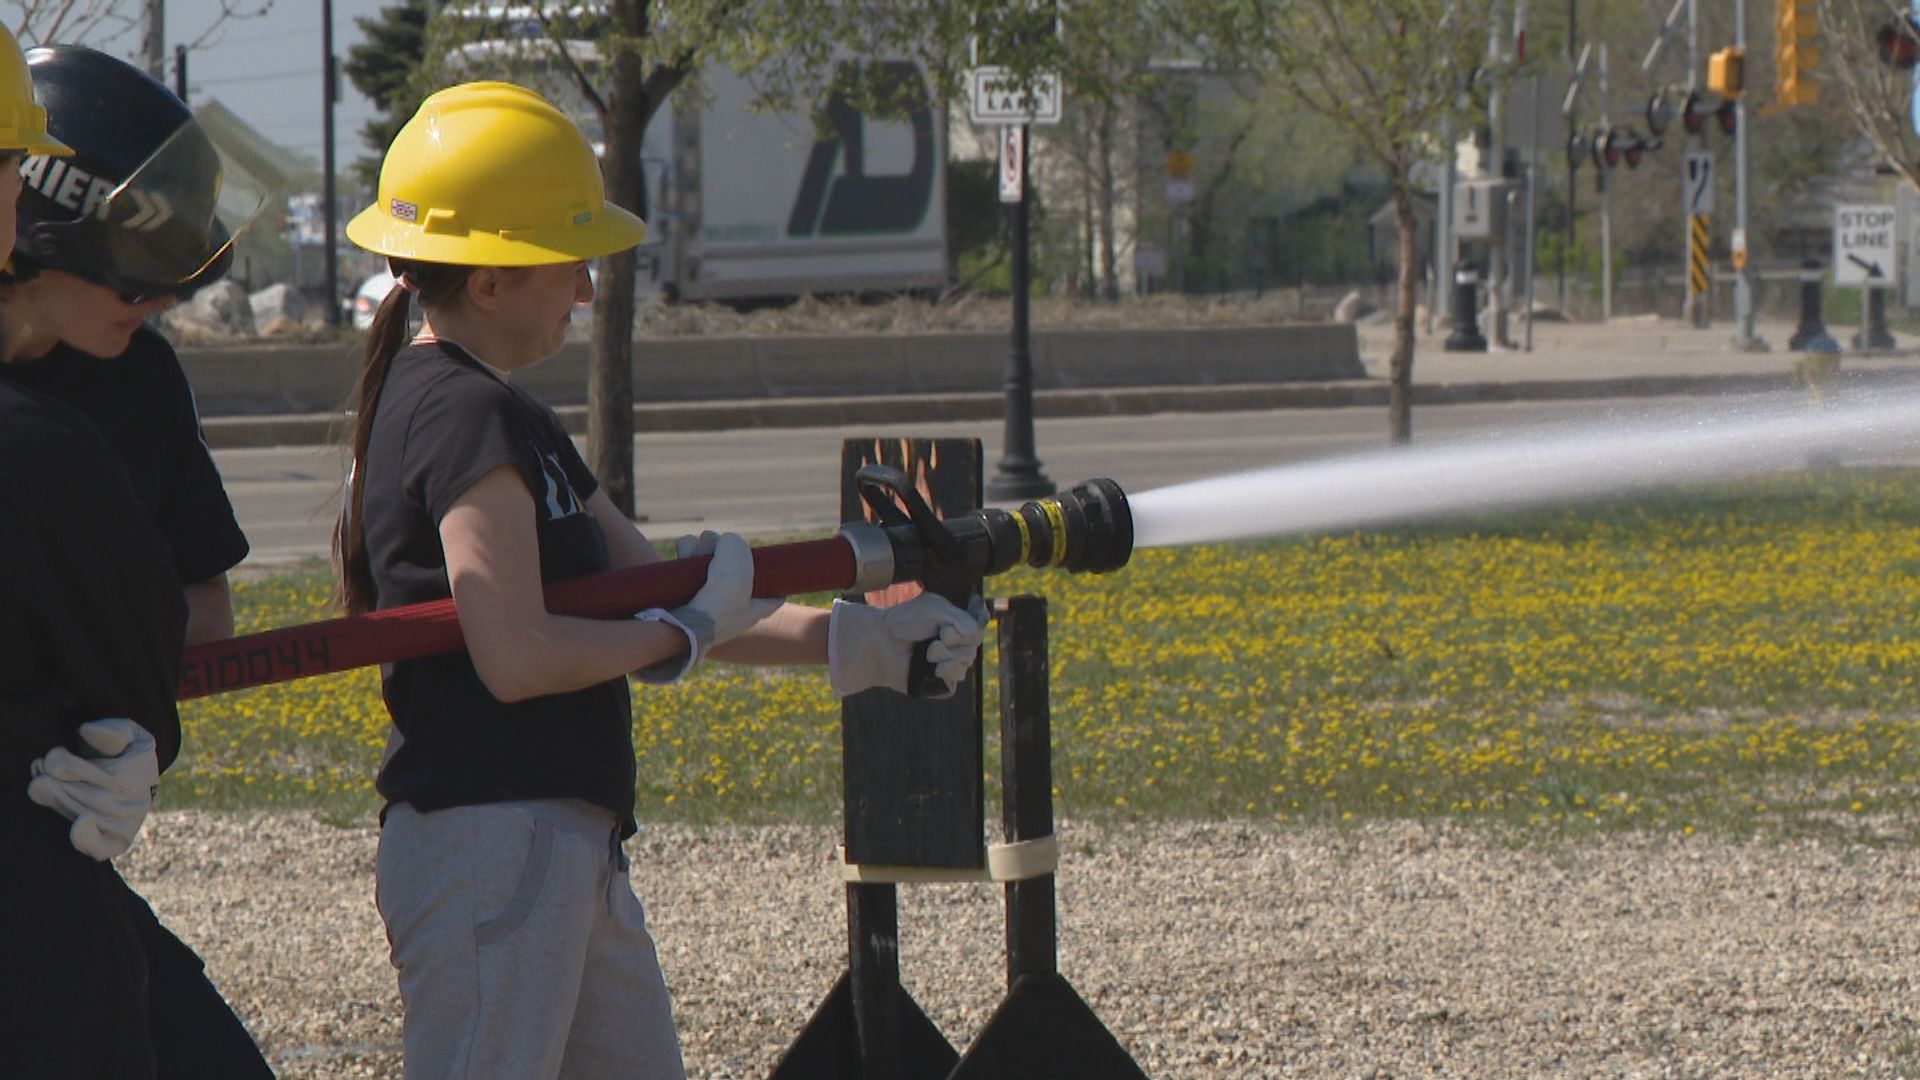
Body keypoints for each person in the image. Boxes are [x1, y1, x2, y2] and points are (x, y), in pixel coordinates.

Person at [338, 80, 988, 1079]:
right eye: (572, 266)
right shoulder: (461, 415)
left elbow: (660, 585)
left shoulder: (513, 419)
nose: (590, 292)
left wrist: (856, 641)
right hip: (490, 840)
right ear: (492, 280)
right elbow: (517, 655)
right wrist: (677, 640)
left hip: (558, 844)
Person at [0, 45, 273, 1080]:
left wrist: (135, 741)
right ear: (41, 221)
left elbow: (199, 604)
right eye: (137, 271)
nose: (157, 303)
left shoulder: (135, 380)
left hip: (51, 848)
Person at [0, 27, 188, 1080]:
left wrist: (141, 737)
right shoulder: (42, 454)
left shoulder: (115, 399)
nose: (156, 303)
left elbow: (178, 612)